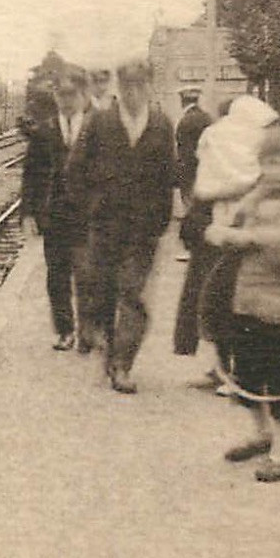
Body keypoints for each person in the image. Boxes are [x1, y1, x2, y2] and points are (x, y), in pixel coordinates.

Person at [205, 125, 280, 483]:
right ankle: (261, 433)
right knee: (249, 377)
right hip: (247, 303)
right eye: (270, 162)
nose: (277, 171)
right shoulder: (254, 200)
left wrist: (257, 239)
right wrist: (226, 231)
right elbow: (230, 228)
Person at [67, 59, 175, 393]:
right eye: (127, 86)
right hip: (105, 225)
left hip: (142, 230)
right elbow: (75, 170)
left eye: (140, 86)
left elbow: (167, 176)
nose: (133, 93)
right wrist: (91, 208)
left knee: (133, 295)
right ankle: (110, 352)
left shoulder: (160, 125)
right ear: (119, 87)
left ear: (149, 88)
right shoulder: (100, 122)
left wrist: (159, 221)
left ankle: (122, 364)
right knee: (104, 292)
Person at [189, 94, 280, 389]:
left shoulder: (215, 139)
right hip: (240, 228)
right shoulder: (255, 148)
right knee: (231, 300)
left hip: (220, 228)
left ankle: (228, 368)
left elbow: (202, 184)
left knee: (221, 299)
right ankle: (231, 369)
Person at [19, 71, 91, 351]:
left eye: (71, 95)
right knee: (57, 275)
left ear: (82, 96)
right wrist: (28, 213)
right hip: (55, 215)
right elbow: (31, 175)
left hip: (87, 215)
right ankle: (64, 330)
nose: (66, 101)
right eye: (61, 95)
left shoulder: (94, 128)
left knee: (86, 274)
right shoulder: (45, 131)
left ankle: (87, 329)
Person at [171, 88, 213, 355]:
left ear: (182, 101)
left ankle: (190, 246)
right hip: (205, 172)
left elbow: (184, 152)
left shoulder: (185, 121)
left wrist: (180, 175)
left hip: (191, 173)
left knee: (190, 207)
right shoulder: (206, 118)